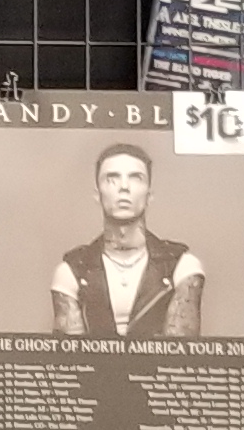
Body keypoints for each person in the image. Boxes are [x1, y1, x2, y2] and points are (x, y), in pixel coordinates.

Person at [48, 142, 203, 338]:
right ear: (97, 194)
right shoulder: (73, 270)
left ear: (149, 195)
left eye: (136, 178)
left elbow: (179, 352)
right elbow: (70, 352)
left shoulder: (181, 266)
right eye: (112, 178)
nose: (124, 187)